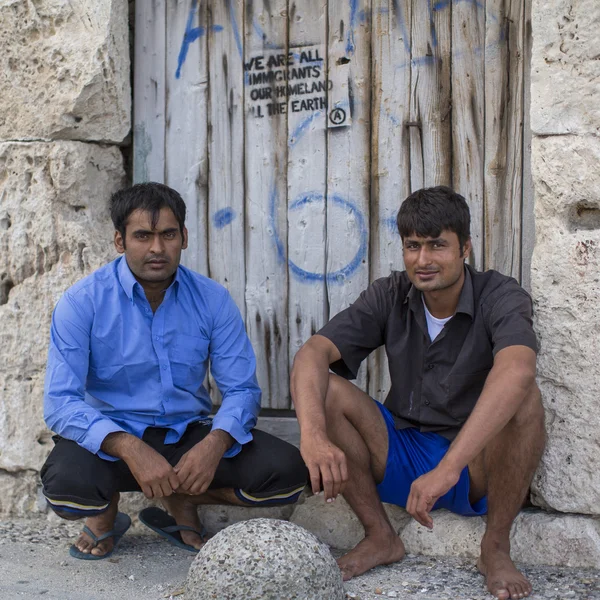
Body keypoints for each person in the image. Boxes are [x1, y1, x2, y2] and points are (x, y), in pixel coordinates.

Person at [290, 186, 545, 600]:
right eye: (413, 246)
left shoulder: (500, 294)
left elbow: (517, 370)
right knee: (327, 389)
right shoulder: (391, 293)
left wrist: (448, 468)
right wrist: (313, 437)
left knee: (525, 397)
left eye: (437, 246)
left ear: (465, 248)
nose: (423, 260)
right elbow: (312, 354)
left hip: (471, 464)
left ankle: (495, 547)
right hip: (399, 452)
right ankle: (380, 537)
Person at [41, 182, 307, 560]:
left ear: (183, 237)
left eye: (167, 234)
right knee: (66, 488)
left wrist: (214, 444)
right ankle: (104, 513)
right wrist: (129, 447)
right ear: (120, 241)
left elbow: (242, 390)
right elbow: (59, 402)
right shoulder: (82, 302)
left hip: (186, 437)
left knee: (287, 474)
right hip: (111, 442)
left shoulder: (212, 299)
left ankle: (183, 495)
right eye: (142, 236)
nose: (156, 248)